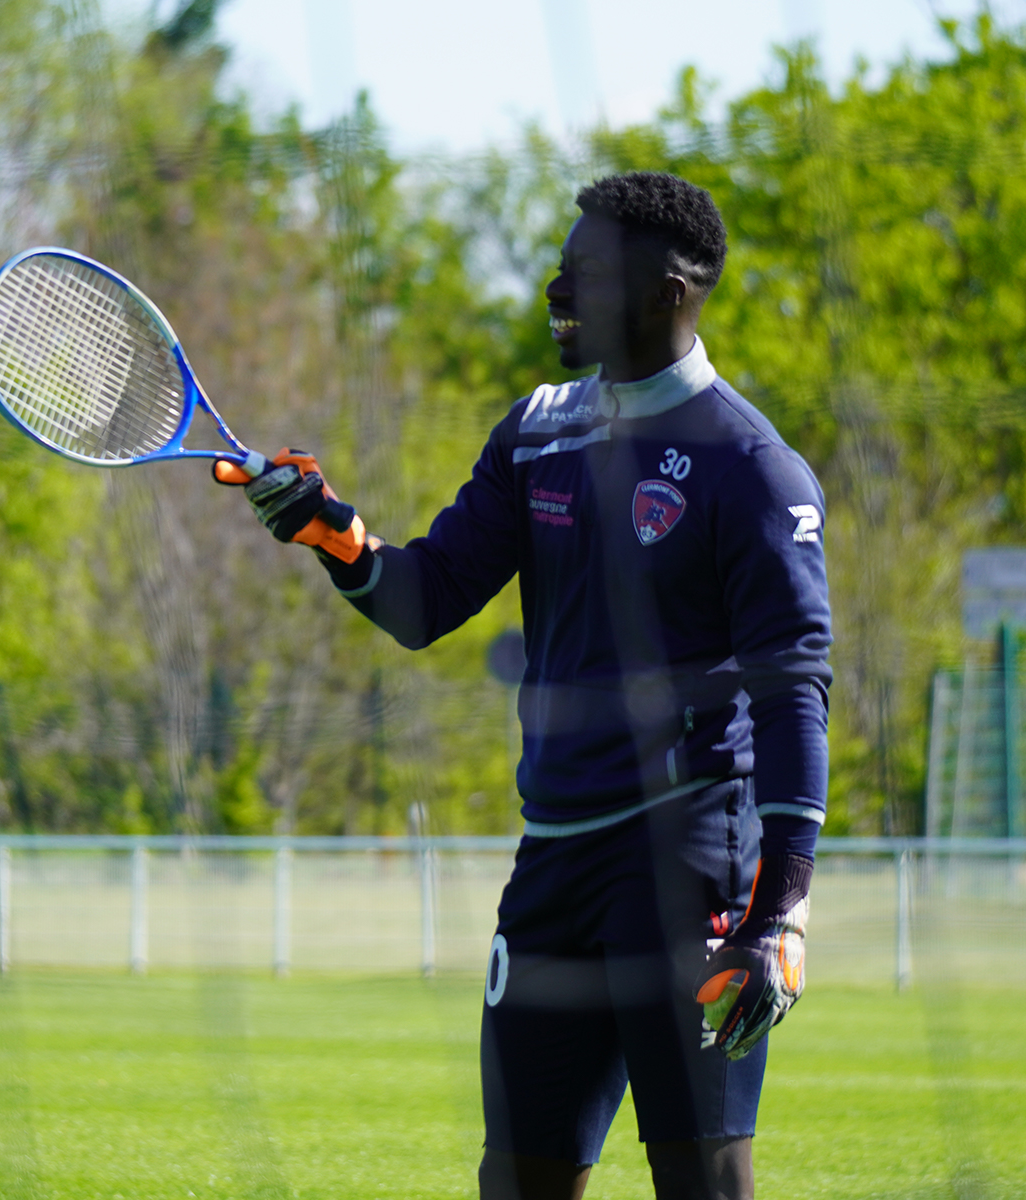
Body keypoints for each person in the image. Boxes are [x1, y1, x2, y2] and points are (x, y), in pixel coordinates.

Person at [216, 172, 831, 1200]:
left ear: (667, 294)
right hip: (551, 865)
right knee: (518, 1183)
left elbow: (793, 693)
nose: (556, 286)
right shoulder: (535, 430)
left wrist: (781, 915)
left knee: (702, 1182)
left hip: (683, 865)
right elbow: (426, 600)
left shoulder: (752, 468)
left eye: (585, 270)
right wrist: (332, 530)